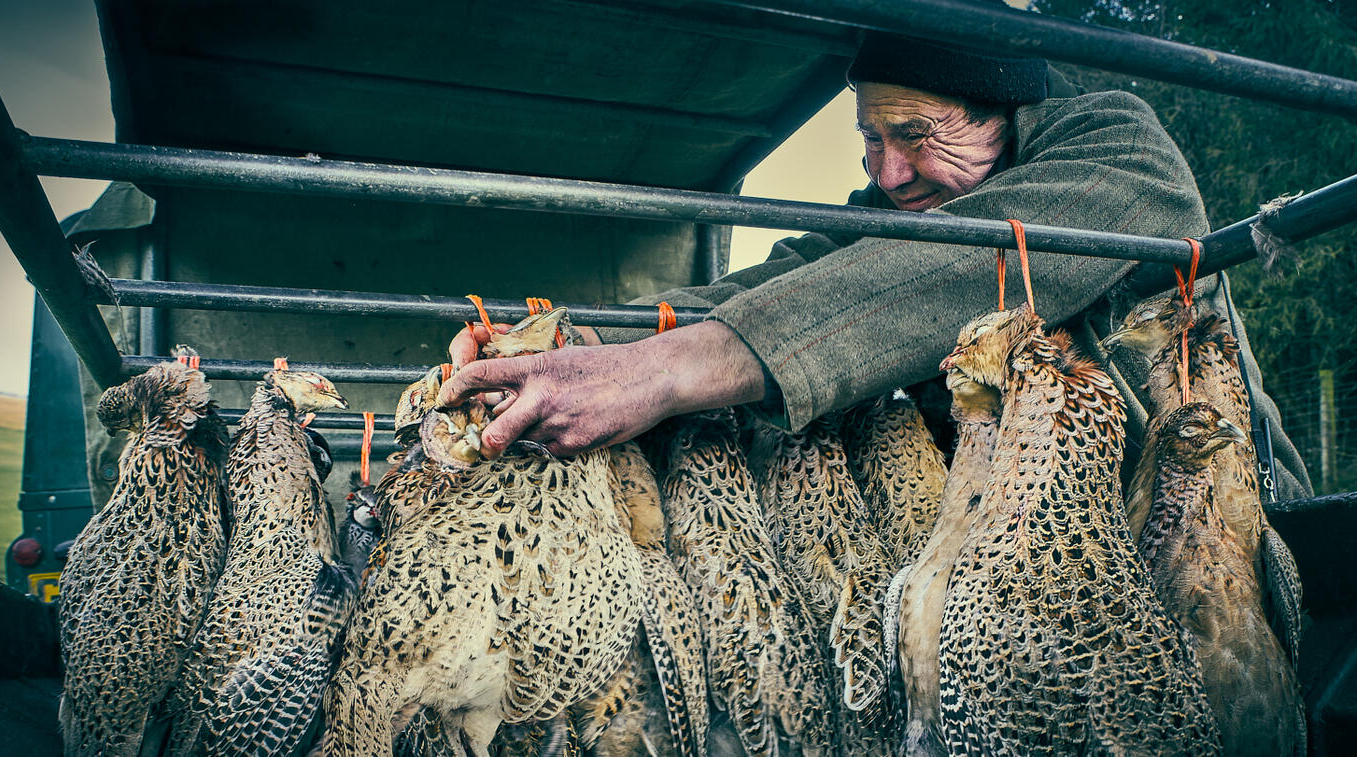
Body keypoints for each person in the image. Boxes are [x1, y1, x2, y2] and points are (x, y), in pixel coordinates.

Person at [439, 27, 1313, 501]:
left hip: (1202, 513)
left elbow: (970, 263)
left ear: (1005, 114)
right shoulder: (890, 214)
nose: (887, 171)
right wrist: (577, 342)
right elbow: (770, 285)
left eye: (916, 136)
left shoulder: (1114, 148)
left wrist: (663, 373)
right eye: (869, 137)